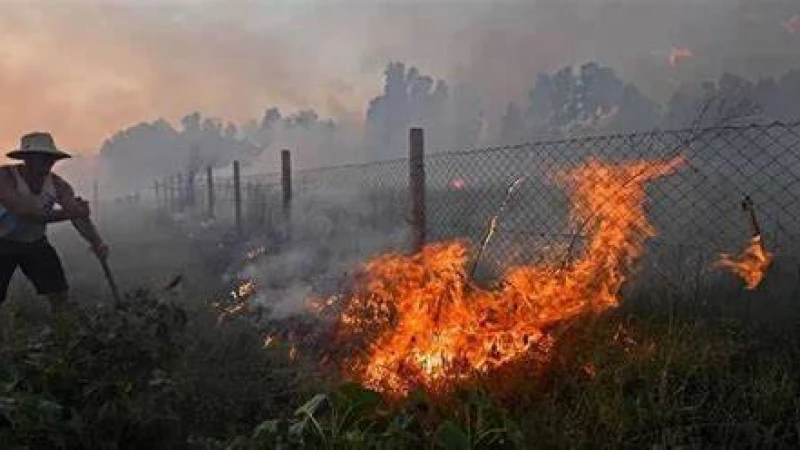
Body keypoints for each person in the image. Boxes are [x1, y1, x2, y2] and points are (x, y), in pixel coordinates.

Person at [0, 131, 108, 313]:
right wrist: (71, 212)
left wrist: (96, 242)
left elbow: (78, 217)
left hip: (35, 243)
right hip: (2, 243)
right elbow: (23, 211)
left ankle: (62, 335)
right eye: (43, 158)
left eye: (51, 158)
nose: (49, 162)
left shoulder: (58, 185)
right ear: (28, 158)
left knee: (59, 295)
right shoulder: (5, 177)